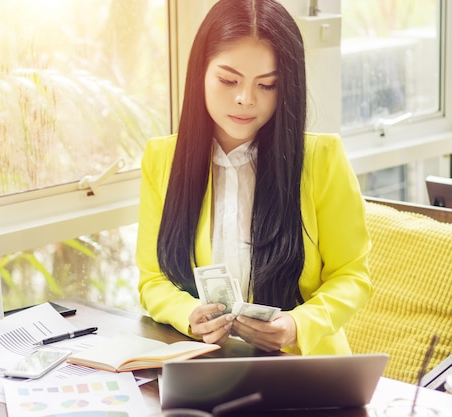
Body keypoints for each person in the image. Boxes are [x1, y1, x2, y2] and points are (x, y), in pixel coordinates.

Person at [136, 0, 372, 356]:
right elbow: (153, 279)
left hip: (304, 374)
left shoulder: (322, 160)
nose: (245, 99)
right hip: (202, 365)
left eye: (267, 85)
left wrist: (297, 325)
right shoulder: (163, 160)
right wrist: (188, 315)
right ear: (200, 72)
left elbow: (352, 277)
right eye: (228, 80)